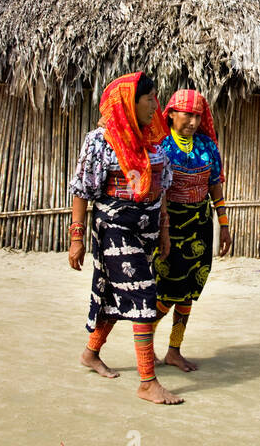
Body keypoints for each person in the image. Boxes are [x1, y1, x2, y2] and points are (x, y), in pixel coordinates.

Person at [68, 71, 183, 405]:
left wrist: (164, 231)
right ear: (128, 103)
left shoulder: (156, 139)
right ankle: (148, 381)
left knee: (115, 296)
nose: (154, 105)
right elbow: (82, 190)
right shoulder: (101, 141)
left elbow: (162, 188)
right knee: (143, 294)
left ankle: (91, 353)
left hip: (146, 228)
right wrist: (77, 238)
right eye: (148, 98)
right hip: (115, 227)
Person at [153, 89, 232, 372]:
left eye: (198, 116)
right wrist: (162, 229)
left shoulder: (208, 146)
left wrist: (223, 224)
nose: (193, 121)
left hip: (200, 225)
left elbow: (215, 185)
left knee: (188, 292)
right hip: (170, 225)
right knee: (167, 291)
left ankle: (174, 349)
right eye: (188, 114)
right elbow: (158, 190)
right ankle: (145, 345)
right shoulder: (161, 146)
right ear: (171, 114)